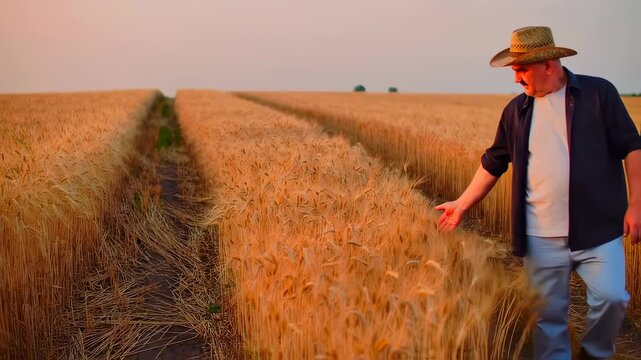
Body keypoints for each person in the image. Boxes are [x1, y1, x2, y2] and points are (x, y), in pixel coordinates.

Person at [435, 26, 641, 359]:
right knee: (549, 319)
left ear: (548, 64)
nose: (516, 79)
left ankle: (594, 353)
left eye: (521, 69)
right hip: (540, 236)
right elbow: (493, 163)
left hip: (599, 230)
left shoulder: (598, 94)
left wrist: (636, 204)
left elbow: (633, 147)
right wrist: (462, 204)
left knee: (613, 298)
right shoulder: (516, 111)